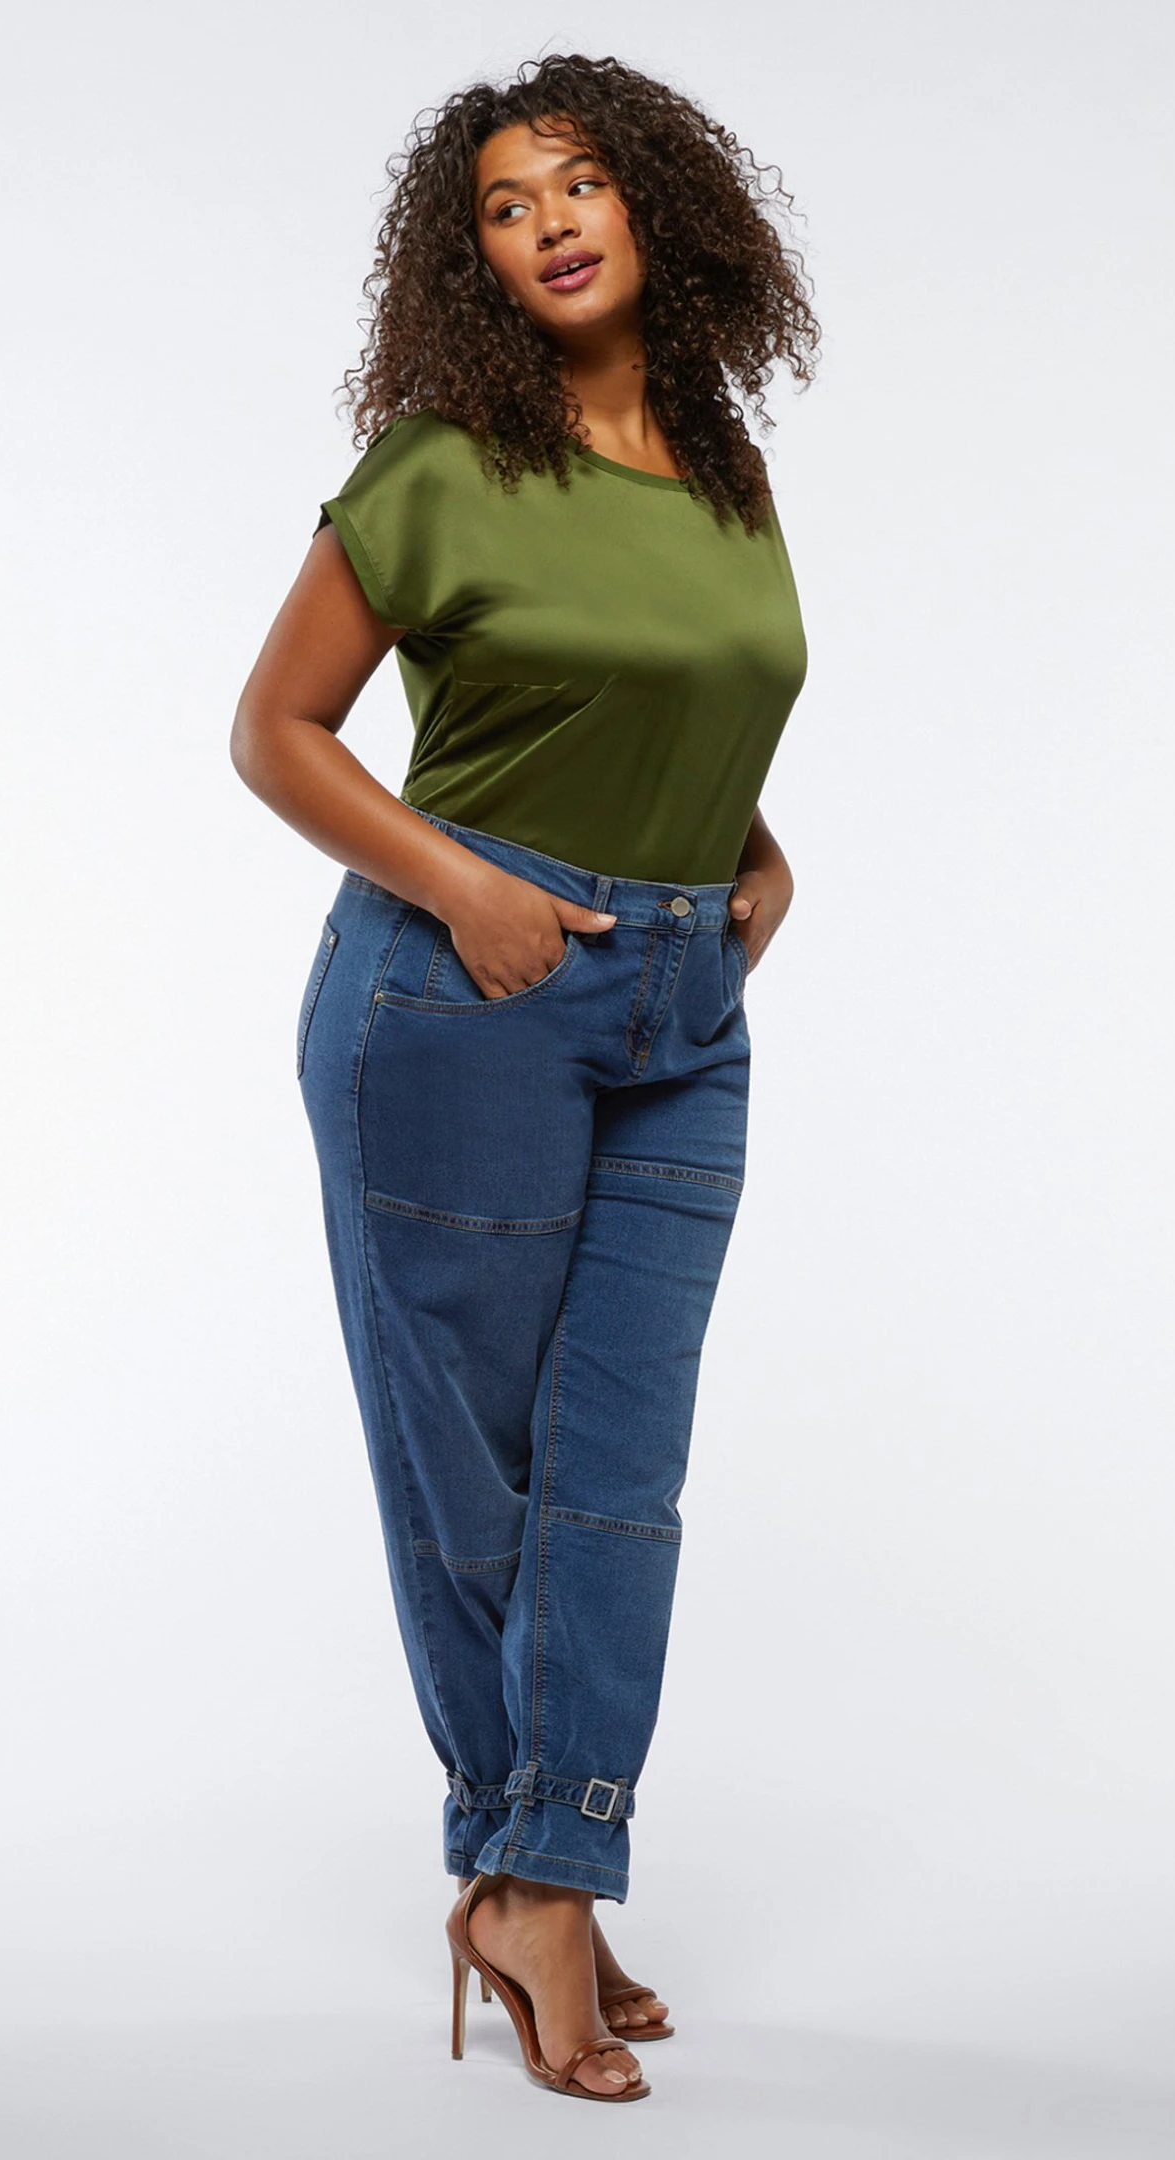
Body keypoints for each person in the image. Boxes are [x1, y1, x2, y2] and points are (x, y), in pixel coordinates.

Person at [231, 51, 818, 2103]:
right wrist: (466, 887)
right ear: (467, 254)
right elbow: (277, 729)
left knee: (618, 1479)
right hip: (461, 994)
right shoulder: (439, 466)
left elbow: (685, 699)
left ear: (659, 207)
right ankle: (536, 1880)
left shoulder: (725, 472)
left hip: (683, 1016)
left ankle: (533, 1873)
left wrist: (755, 853)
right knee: (476, 1472)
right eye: (504, 202)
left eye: (581, 183)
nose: (551, 222)